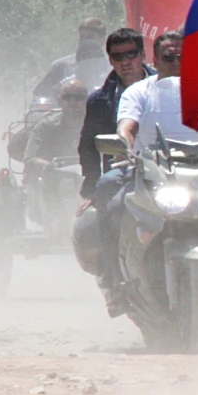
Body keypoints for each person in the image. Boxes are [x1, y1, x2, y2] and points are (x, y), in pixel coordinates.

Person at [76, 27, 155, 314]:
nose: (126, 62)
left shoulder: (167, 87)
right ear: (109, 60)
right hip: (126, 173)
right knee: (108, 211)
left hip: (172, 170)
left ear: (143, 55)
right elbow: (88, 145)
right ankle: (114, 281)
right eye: (118, 56)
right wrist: (91, 185)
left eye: (132, 54)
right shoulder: (100, 100)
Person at [23, 78, 87, 178]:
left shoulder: (97, 124)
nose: (72, 102)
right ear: (59, 100)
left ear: (87, 99)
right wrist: (51, 167)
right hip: (53, 181)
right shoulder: (45, 126)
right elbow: (30, 158)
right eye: (67, 97)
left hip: (91, 179)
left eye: (78, 97)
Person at [33, 17, 109, 98]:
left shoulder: (111, 65)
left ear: (102, 40)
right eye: (82, 36)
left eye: (90, 37)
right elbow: (40, 93)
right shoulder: (61, 66)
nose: (85, 40)